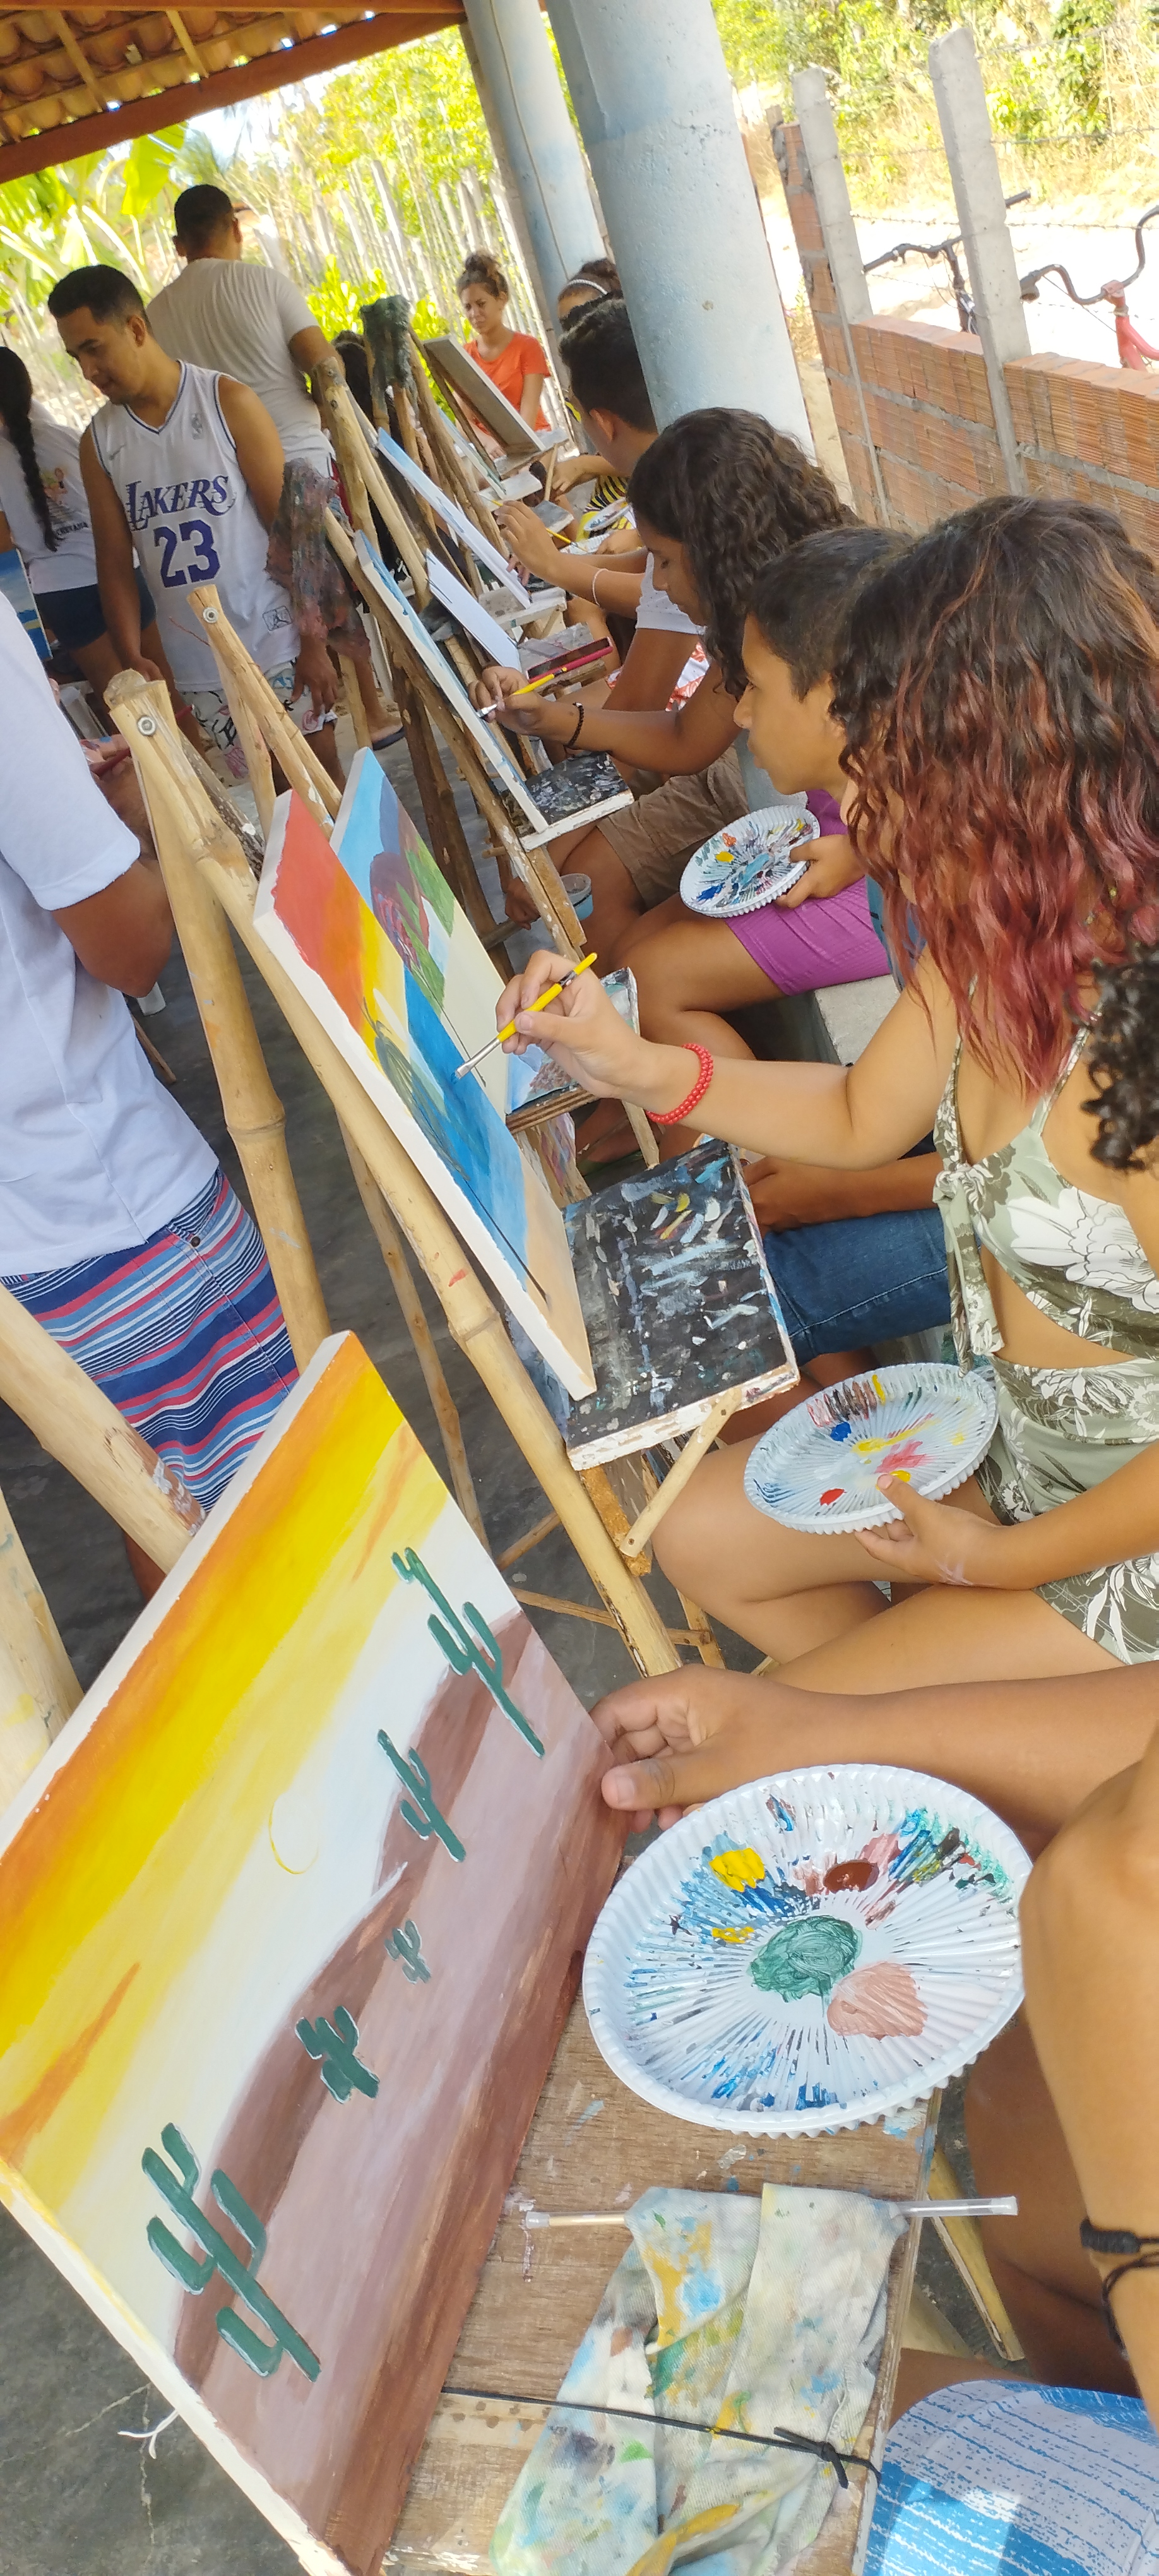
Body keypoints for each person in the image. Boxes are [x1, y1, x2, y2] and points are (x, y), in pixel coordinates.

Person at [496, 496, 1159, 1683]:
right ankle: (944, 1728)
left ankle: (930, 1714)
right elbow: (859, 1116)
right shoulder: (995, 945)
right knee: (698, 1536)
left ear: (1001, 767)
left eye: (890, 752)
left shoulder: (1135, 1038)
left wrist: (991, 1563)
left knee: (762, 1726)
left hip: (1119, 1557)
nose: (852, 801)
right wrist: (631, 1063)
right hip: (1021, 1460)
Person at [0, 592, 296, 1597]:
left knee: (155, 1492)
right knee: (255, 1516)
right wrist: (139, 826)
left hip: (31, 1218)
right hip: (99, 1185)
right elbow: (129, 948)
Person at [486, 402, 852, 965]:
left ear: (717, 551)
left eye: (662, 562)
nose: (655, 584)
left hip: (792, 807)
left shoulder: (786, 619)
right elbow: (684, 735)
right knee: (630, 938)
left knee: (637, 953)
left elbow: (684, 741)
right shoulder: (756, 600)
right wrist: (555, 719)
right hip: (786, 797)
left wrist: (547, 843)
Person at [620, 527, 910, 1146]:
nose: (741, 713)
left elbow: (874, 1124)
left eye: (754, 686)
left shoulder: (952, 902)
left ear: (841, 701)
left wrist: (795, 1187)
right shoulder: (899, 835)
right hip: (848, 855)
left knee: (650, 973)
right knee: (638, 953)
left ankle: (723, 1156)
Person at [46, 264, 342, 785]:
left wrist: (314, 645)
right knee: (275, 799)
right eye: (77, 357)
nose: (88, 370)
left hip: (275, 639)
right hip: (198, 664)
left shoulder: (228, 402)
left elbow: (291, 533)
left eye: (94, 348)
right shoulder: (101, 442)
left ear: (136, 329)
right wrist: (132, 656)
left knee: (326, 782)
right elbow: (113, 561)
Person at [0, 345, 179, 719]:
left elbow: (4, 543)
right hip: (119, 574)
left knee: (122, 705)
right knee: (163, 683)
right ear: (27, 388)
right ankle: (196, 756)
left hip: (58, 591)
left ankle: (149, 760)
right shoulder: (71, 438)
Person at [146, 184, 336, 480]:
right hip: (303, 464)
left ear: (179, 246)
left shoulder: (153, 318)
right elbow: (326, 368)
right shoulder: (267, 282)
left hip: (224, 485)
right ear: (236, 229)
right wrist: (325, 411)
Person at [458, 250, 549, 431]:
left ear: (501, 300)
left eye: (481, 304)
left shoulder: (528, 347)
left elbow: (527, 423)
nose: (474, 314)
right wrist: (488, 443)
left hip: (533, 440)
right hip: (485, 447)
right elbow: (463, 423)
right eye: (468, 307)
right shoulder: (465, 355)